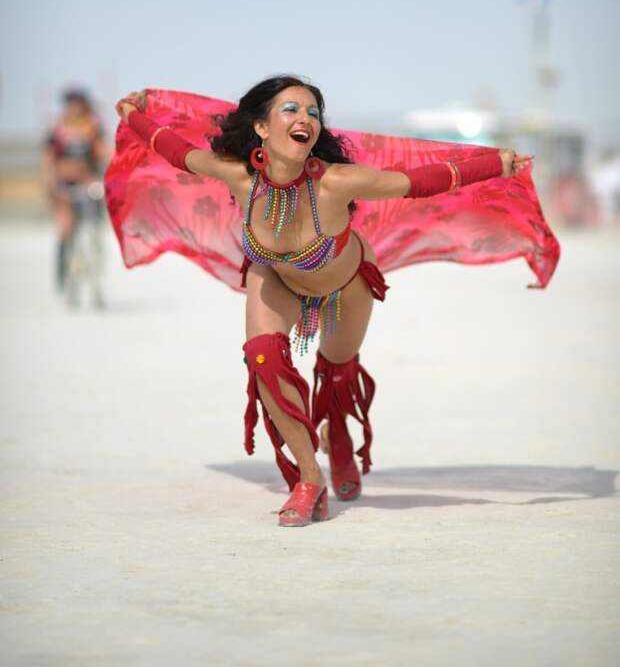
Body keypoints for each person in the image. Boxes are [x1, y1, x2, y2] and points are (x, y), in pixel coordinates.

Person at [109, 76, 551, 528]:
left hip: (347, 286)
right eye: (291, 110)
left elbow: (418, 182)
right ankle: (308, 477)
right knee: (263, 359)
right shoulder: (239, 176)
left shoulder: (336, 182)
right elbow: (176, 151)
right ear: (261, 128)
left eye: (313, 113)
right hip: (276, 277)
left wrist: (495, 163)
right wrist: (134, 115)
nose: (305, 119)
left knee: (337, 372)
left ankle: (337, 435)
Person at [42, 88, 108, 289]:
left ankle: (96, 269)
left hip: (88, 182)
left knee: (95, 227)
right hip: (65, 184)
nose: (76, 108)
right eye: (72, 104)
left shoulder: (92, 127)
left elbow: (102, 153)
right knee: (66, 227)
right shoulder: (58, 129)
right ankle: (63, 272)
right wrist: (52, 184)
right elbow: (48, 160)